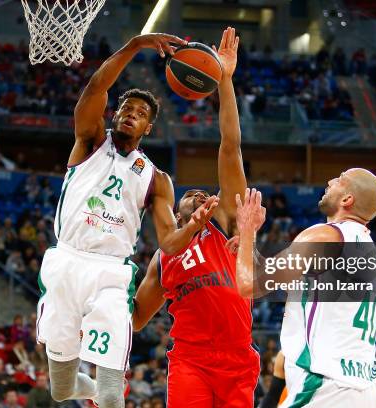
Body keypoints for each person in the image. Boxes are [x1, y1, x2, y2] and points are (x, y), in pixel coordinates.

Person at [36, 32, 219, 408]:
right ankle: (78, 385)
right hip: (66, 262)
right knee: (60, 390)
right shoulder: (89, 141)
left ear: (148, 128)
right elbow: (96, 86)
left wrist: (194, 225)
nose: (131, 116)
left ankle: (108, 391)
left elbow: (169, 243)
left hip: (111, 275)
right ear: (114, 114)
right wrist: (135, 44)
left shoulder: (156, 179)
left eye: (140, 114)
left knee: (108, 394)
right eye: (126, 110)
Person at [132, 28, 260, 407]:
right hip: (191, 361)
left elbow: (230, 145)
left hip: (238, 360)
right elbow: (137, 318)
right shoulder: (164, 256)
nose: (199, 194)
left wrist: (224, 80)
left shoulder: (224, 225)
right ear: (175, 214)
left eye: (205, 194)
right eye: (190, 196)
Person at [235, 168, 376, 408]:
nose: (330, 180)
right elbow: (294, 287)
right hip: (365, 388)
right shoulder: (366, 248)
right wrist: (249, 247)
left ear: (347, 199)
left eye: (339, 179)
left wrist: (246, 231)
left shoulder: (324, 237)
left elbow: (248, 285)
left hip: (325, 386)